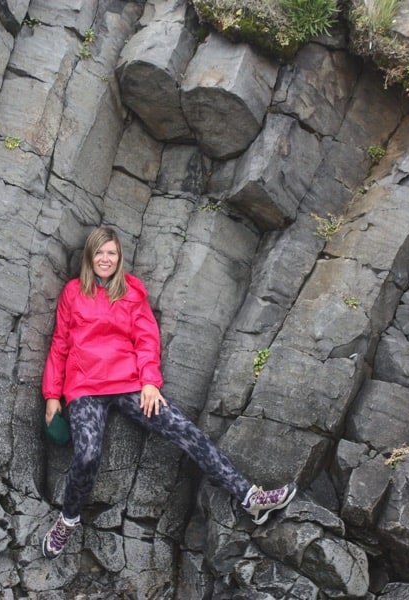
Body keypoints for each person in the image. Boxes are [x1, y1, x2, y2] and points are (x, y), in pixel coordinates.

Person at [40, 226, 297, 559]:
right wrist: (51, 396)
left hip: (129, 382)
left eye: (111, 253)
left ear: (119, 258)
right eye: (99, 253)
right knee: (87, 454)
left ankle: (251, 498)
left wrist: (149, 381)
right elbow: (60, 344)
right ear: (90, 256)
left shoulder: (132, 291)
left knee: (184, 429)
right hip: (85, 387)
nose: (105, 259)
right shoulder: (73, 292)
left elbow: (146, 339)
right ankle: (68, 520)